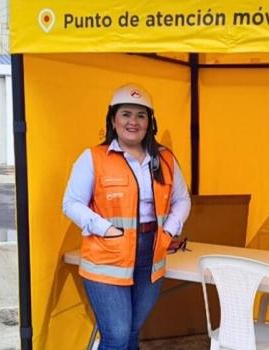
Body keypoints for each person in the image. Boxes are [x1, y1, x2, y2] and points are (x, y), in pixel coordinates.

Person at [62, 83, 191, 350]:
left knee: (131, 329)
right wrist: (105, 228)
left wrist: (169, 230)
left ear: (150, 122)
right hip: (108, 257)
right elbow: (71, 203)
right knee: (117, 336)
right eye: (126, 114)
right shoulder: (94, 158)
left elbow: (182, 199)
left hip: (151, 255)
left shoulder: (164, 159)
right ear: (113, 119)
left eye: (141, 115)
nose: (133, 122)